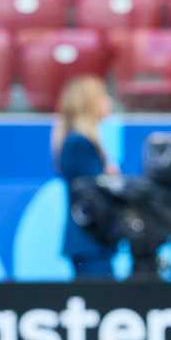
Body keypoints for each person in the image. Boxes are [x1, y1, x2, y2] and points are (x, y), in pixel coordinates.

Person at [52, 76, 117, 280]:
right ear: (90, 103)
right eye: (103, 96)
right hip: (89, 242)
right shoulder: (79, 143)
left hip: (91, 243)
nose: (109, 102)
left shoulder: (78, 141)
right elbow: (92, 194)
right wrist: (110, 180)